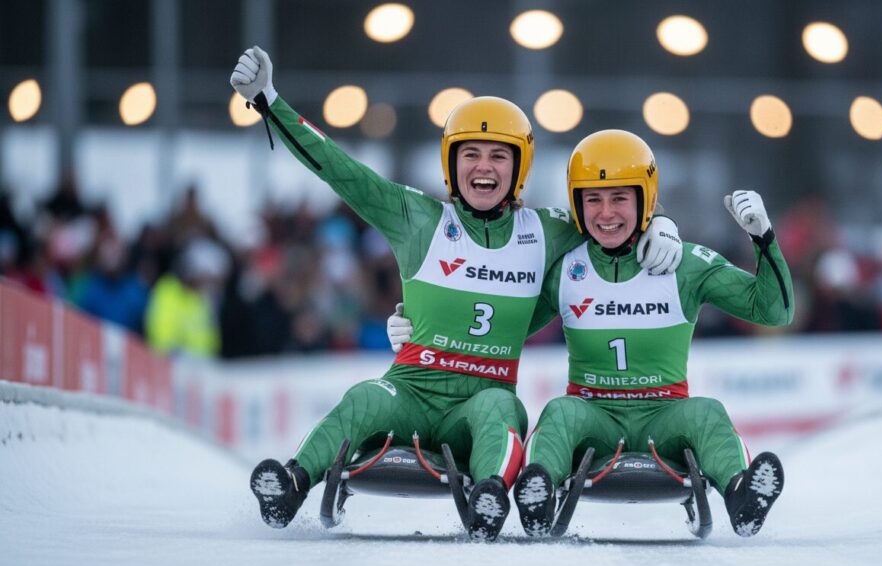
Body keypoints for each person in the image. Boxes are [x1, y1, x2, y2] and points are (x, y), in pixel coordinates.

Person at [230, 47, 685, 539]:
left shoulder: (548, 231)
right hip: (410, 390)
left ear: (519, 167)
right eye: (470, 153)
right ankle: (292, 483)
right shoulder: (418, 218)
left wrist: (661, 222)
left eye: (498, 155)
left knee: (500, 410)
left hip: (481, 400)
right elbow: (337, 168)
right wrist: (269, 101)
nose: (483, 167)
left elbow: (612, 211)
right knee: (364, 397)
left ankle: (490, 496)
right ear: (451, 162)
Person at [389, 130, 794, 538]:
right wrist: (421, 331)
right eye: (593, 199)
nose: (605, 214)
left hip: (666, 414)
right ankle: (538, 492)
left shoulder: (684, 263)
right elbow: (499, 328)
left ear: (645, 198)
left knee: (708, 412)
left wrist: (763, 239)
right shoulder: (565, 265)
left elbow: (774, 311)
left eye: (619, 198)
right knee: (560, 411)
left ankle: (743, 497)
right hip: (592, 416)